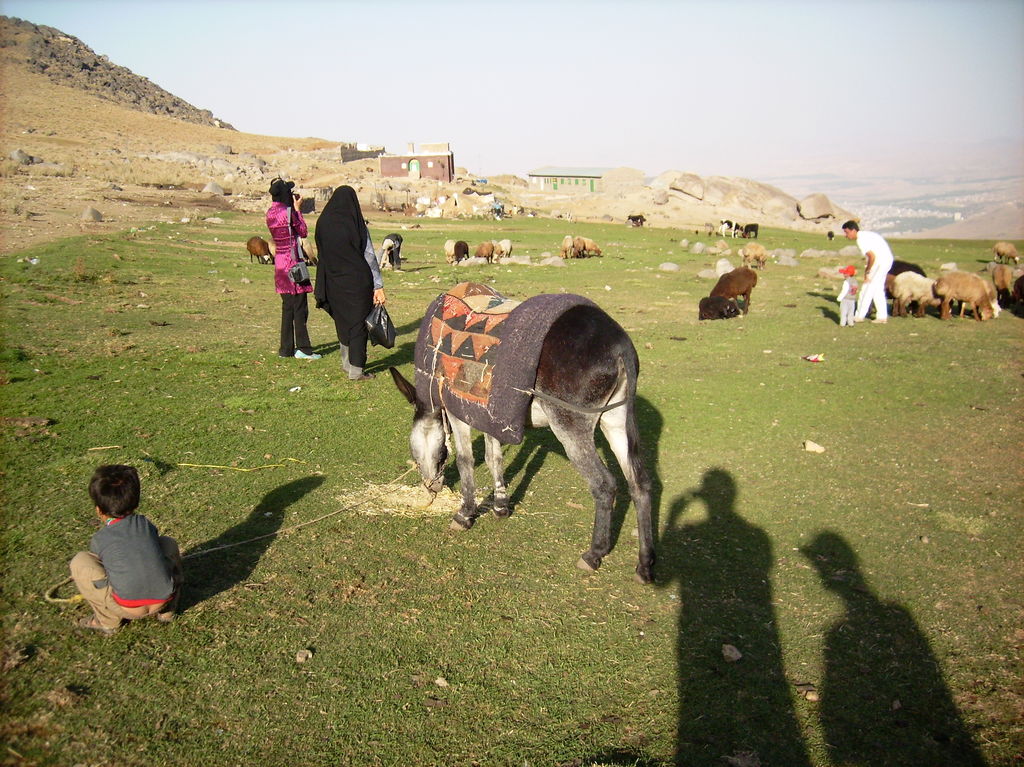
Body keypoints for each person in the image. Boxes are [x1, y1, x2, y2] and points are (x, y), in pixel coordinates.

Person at [69, 465, 183, 635]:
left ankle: (107, 621)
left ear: (99, 510)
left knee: (81, 562)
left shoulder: (100, 538)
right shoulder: (145, 524)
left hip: (127, 607)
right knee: (168, 543)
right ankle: (168, 611)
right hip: (163, 599)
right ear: (135, 502)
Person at [313, 186, 386, 381]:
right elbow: (369, 255)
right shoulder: (355, 223)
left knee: (342, 320)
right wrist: (378, 285)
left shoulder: (323, 222)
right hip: (357, 282)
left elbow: (321, 250)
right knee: (358, 325)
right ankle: (356, 370)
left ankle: (347, 364)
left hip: (332, 280)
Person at [266, 178, 321, 360]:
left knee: (287, 307)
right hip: (293, 262)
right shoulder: (289, 212)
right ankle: (303, 348)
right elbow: (303, 231)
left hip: (280, 263)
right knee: (300, 306)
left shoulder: (270, 213)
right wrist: (297, 210)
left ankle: (286, 349)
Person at [842, 220, 894, 324]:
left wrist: (867, 271)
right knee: (877, 289)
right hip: (886, 261)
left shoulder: (861, 239)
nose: (846, 235)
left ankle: (859, 316)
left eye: (847, 232)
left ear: (853, 230)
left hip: (879, 262)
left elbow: (871, 256)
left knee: (867, 288)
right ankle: (882, 316)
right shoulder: (867, 235)